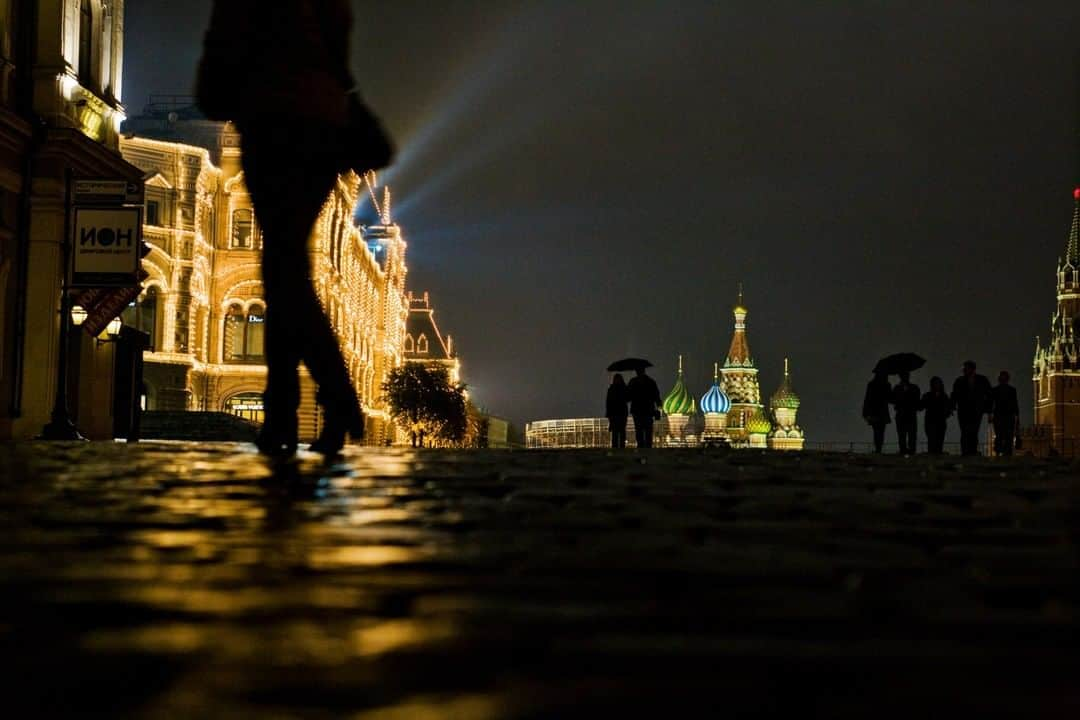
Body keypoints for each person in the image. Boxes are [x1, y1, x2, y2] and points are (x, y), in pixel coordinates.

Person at [196, 1, 392, 457]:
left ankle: (328, 398)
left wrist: (221, 86)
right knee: (285, 269)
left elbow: (225, 40)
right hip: (322, 126)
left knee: (283, 270)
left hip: (271, 123)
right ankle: (289, 411)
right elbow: (340, 56)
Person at [950, 360, 993, 456]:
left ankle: (971, 451)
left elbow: (989, 395)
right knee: (965, 431)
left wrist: (988, 410)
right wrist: (952, 406)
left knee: (973, 431)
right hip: (964, 410)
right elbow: (954, 395)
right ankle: (966, 451)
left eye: (966, 368)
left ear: (972, 369)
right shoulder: (960, 381)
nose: (964, 370)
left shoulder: (981, 380)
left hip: (976, 410)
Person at [627, 367, 661, 448]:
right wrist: (659, 404)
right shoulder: (650, 381)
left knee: (639, 430)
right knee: (648, 430)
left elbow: (628, 396)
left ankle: (640, 447)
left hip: (637, 410)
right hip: (648, 410)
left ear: (636, 372)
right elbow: (656, 395)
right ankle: (648, 447)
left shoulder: (633, 382)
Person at [989, 370, 1020, 456]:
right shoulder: (1011, 390)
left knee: (1002, 436)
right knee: (1003, 436)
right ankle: (1005, 453)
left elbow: (991, 404)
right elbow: (1015, 404)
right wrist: (1017, 416)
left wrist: (990, 415)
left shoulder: (995, 390)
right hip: (1005, 416)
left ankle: (1001, 453)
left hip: (1002, 416)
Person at [890, 370, 921, 455]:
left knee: (910, 435)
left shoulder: (900, 388)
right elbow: (893, 400)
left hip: (907, 414)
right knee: (903, 435)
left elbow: (917, 400)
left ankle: (910, 451)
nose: (905, 377)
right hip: (905, 414)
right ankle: (905, 450)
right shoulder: (899, 388)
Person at [920, 376, 953, 454]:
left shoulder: (931, 395)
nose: (937, 385)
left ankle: (934, 457)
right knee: (933, 441)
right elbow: (921, 405)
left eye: (938, 383)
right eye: (935, 383)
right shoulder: (943, 396)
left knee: (938, 441)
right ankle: (935, 457)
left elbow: (921, 406)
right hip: (933, 422)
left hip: (937, 421)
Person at [862, 371, 892, 453]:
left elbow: (867, 399)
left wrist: (865, 412)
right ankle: (879, 448)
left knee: (876, 431)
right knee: (881, 431)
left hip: (874, 411)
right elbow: (890, 398)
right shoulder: (886, 385)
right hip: (881, 411)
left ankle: (878, 448)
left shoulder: (872, 384)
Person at [605, 374, 629, 449]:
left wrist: (608, 414)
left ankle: (615, 448)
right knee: (622, 431)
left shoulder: (611, 389)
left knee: (615, 433)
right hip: (622, 413)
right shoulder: (624, 388)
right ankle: (622, 447)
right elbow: (628, 399)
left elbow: (608, 403)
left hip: (614, 414)